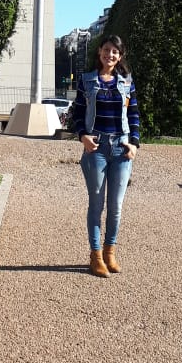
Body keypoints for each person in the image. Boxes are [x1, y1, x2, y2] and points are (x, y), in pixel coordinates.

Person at [70, 35, 140, 278]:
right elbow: (77, 113)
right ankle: (96, 255)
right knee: (96, 203)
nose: (109, 55)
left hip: (121, 147)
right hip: (96, 147)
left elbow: (133, 115)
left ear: (120, 57)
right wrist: (82, 136)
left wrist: (135, 144)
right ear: (100, 51)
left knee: (116, 206)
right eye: (106, 50)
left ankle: (110, 252)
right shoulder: (87, 80)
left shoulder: (126, 83)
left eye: (115, 52)